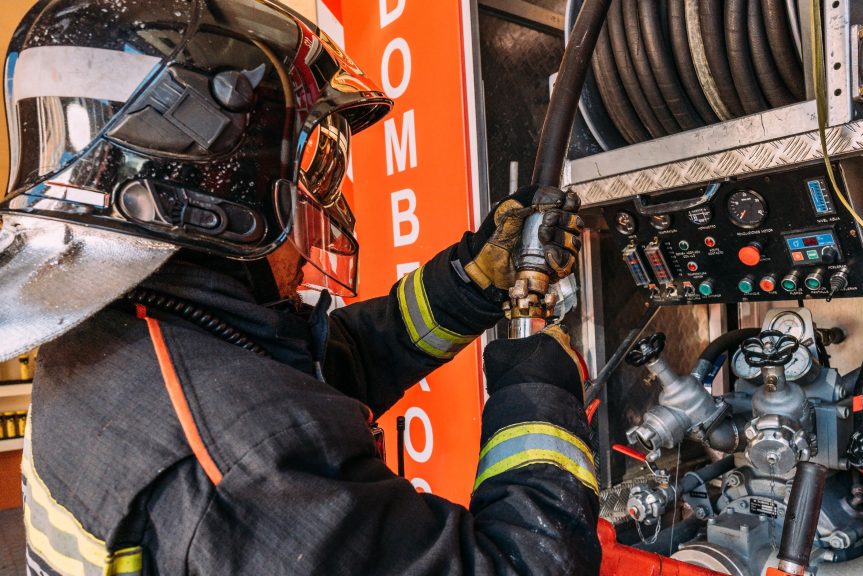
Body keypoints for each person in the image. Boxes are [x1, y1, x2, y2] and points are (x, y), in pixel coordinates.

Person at [0, 0, 600, 574]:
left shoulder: (118, 334)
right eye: (311, 167)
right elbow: (528, 564)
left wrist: (471, 282)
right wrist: (540, 385)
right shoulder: (241, 466)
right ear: (219, 194)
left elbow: (334, 364)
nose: (322, 196)